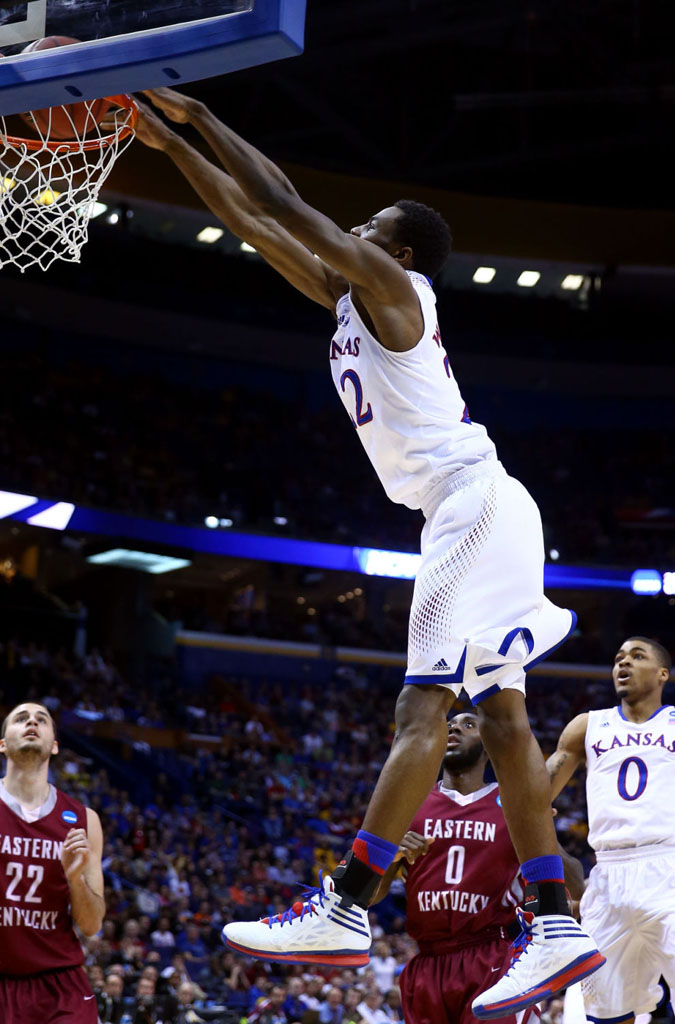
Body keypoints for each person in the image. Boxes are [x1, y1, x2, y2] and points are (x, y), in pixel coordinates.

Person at [136, 88, 604, 1017]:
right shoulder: (349, 295)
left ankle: (347, 906)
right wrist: (165, 148)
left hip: (469, 503)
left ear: (393, 253)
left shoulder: (399, 291)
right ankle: (555, 921)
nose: (345, 229)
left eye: (366, 225)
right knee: (504, 721)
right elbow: (250, 223)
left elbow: (282, 206)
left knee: (418, 707)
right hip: (482, 506)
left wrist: (198, 119)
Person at [372, 713, 583, 1024]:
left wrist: (540, 828)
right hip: (426, 964)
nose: (454, 727)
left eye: (469, 724)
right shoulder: (410, 802)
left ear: (488, 745)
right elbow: (371, 894)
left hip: (491, 957)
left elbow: (576, 883)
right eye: (449, 724)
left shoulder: (511, 801)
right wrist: (389, 854)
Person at [547, 635, 675, 1024]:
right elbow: (539, 792)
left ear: (663, 674)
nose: (624, 663)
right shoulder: (587, 725)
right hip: (606, 875)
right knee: (603, 1010)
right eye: (618, 657)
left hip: (667, 866)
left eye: (638, 656)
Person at [0, 702, 105, 1024]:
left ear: (55, 745)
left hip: (59, 985)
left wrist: (75, 879)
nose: (32, 721)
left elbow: (91, 925)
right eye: (21, 718)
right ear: (2, 743)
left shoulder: (84, 821)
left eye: (41, 720)